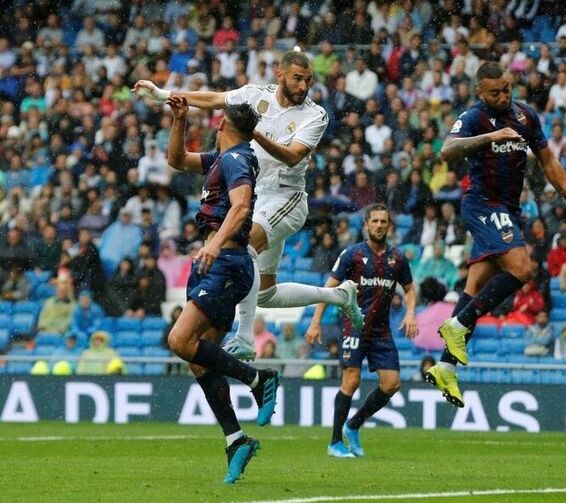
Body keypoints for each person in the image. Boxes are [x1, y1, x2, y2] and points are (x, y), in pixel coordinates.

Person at [134, 51, 363, 362]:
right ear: (280, 74)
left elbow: (293, 156)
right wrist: (163, 95)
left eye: (308, 80)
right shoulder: (255, 95)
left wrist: (255, 133)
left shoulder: (315, 115)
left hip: (286, 198)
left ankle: (244, 336)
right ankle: (338, 295)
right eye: (297, 78)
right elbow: (215, 99)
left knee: (241, 249)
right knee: (266, 293)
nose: (303, 85)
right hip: (257, 197)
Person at [424, 62, 566, 408]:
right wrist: (489, 137)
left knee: (474, 287)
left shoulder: (526, 116)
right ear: (479, 93)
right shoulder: (473, 118)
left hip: (508, 210)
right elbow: (446, 150)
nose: (503, 96)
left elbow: (548, 162)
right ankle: (458, 326)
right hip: (483, 204)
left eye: (507, 89)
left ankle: (445, 366)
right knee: (523, 269)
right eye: (495, 93)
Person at [162, 94, 278, 484]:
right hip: (215, 264)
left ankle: (258, 379)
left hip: (225, 263)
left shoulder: (236, 158)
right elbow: (176, 161)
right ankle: (236, 440)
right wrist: (178, 120)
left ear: (224, 124)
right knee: (199, 358)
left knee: (179, 340)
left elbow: (242, 207)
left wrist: (213, 243)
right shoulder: (221, 158)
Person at [305, 204, 418, 458]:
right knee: (351, 380)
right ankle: (335, 442)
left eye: (384, 221)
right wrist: (315, 322)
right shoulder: (352, 255)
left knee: (391, 384)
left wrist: (410, 313)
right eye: (375, 221)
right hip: (354, 327)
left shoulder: (397, 258)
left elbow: (410, 289)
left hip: (381, 331)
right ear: (366, 224)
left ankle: (353, 424)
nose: (379, 225)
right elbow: (328, 289)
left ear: (389, 226)